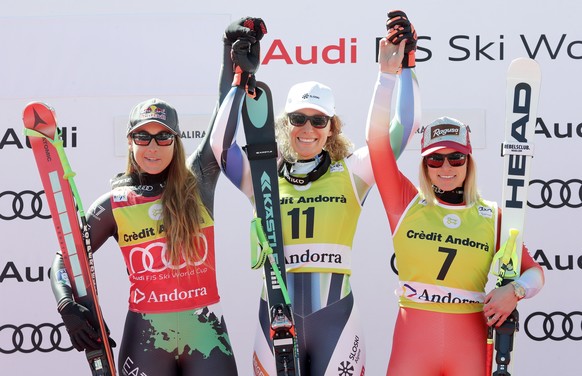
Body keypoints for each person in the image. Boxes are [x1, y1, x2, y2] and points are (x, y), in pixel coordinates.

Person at [49, 17, 267, 375]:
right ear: (131, 143)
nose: (153, 147)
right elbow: (64, 260)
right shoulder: (113, 205)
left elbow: (219, 119)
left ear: (177, 142)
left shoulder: (198, 180)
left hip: (206, 332)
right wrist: (66, 306)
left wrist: (232, 61)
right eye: (143, 137)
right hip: (146, 337)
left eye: (163, 137)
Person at [209, 16, 419, 376]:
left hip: (336, 323)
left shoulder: (353, 171)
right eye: (298, 119)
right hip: (273, 317)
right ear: (284, 123)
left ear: (332, 127)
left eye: (319, 121)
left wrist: (397, 71)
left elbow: (402, 131)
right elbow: (219, 145)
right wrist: (236, 79)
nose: (308, 129)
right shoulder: (264, 173)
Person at [366, 12, 545, 376]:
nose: (446, 167)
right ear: (425, 165)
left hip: (470, 342)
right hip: (412, 344)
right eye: (435, 160)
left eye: (455, 157)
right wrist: (387, 76)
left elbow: (536, 273)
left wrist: (516, 291)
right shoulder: (406, 203)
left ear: (468, 161)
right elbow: (377, 143)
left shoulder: (493, 216)